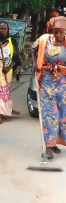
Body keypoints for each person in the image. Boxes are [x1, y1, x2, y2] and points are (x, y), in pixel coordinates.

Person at [31, 16, 66, 159]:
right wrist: (34, 64)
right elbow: (33, 48)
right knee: (49, 112)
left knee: (63, 114)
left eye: (60, 32)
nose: (57, 34)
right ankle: (49, 146)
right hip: (46, 80)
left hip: (63, 81)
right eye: (55, 31)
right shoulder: (45, 39)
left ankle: (57, 142)